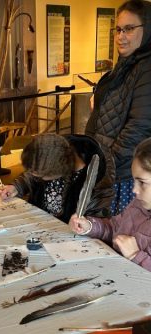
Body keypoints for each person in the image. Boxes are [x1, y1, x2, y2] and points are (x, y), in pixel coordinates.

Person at [86, 0, 151, 215]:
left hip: (122, 174)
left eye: (129, 29)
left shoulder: (147, 68)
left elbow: (139, 127)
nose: (120, 36)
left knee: (117, 236)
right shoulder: (126, 65)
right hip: (107, 169)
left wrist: (107, 165)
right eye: (118, 29)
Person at [69, 137, 151, 271]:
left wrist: (135, 255)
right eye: (134, 181)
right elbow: (114, 228)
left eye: (142, 182)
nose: (134, 190)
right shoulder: (138, 205)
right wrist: (90, 226)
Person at [0, 133, 112, 223]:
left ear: (58, 172)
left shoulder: (97, 180)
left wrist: (85, 224)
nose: (33, 175)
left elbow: (96, 222)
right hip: (40, 222)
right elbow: (31, 174)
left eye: (40, 175)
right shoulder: (52, 149)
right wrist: (15, 187)